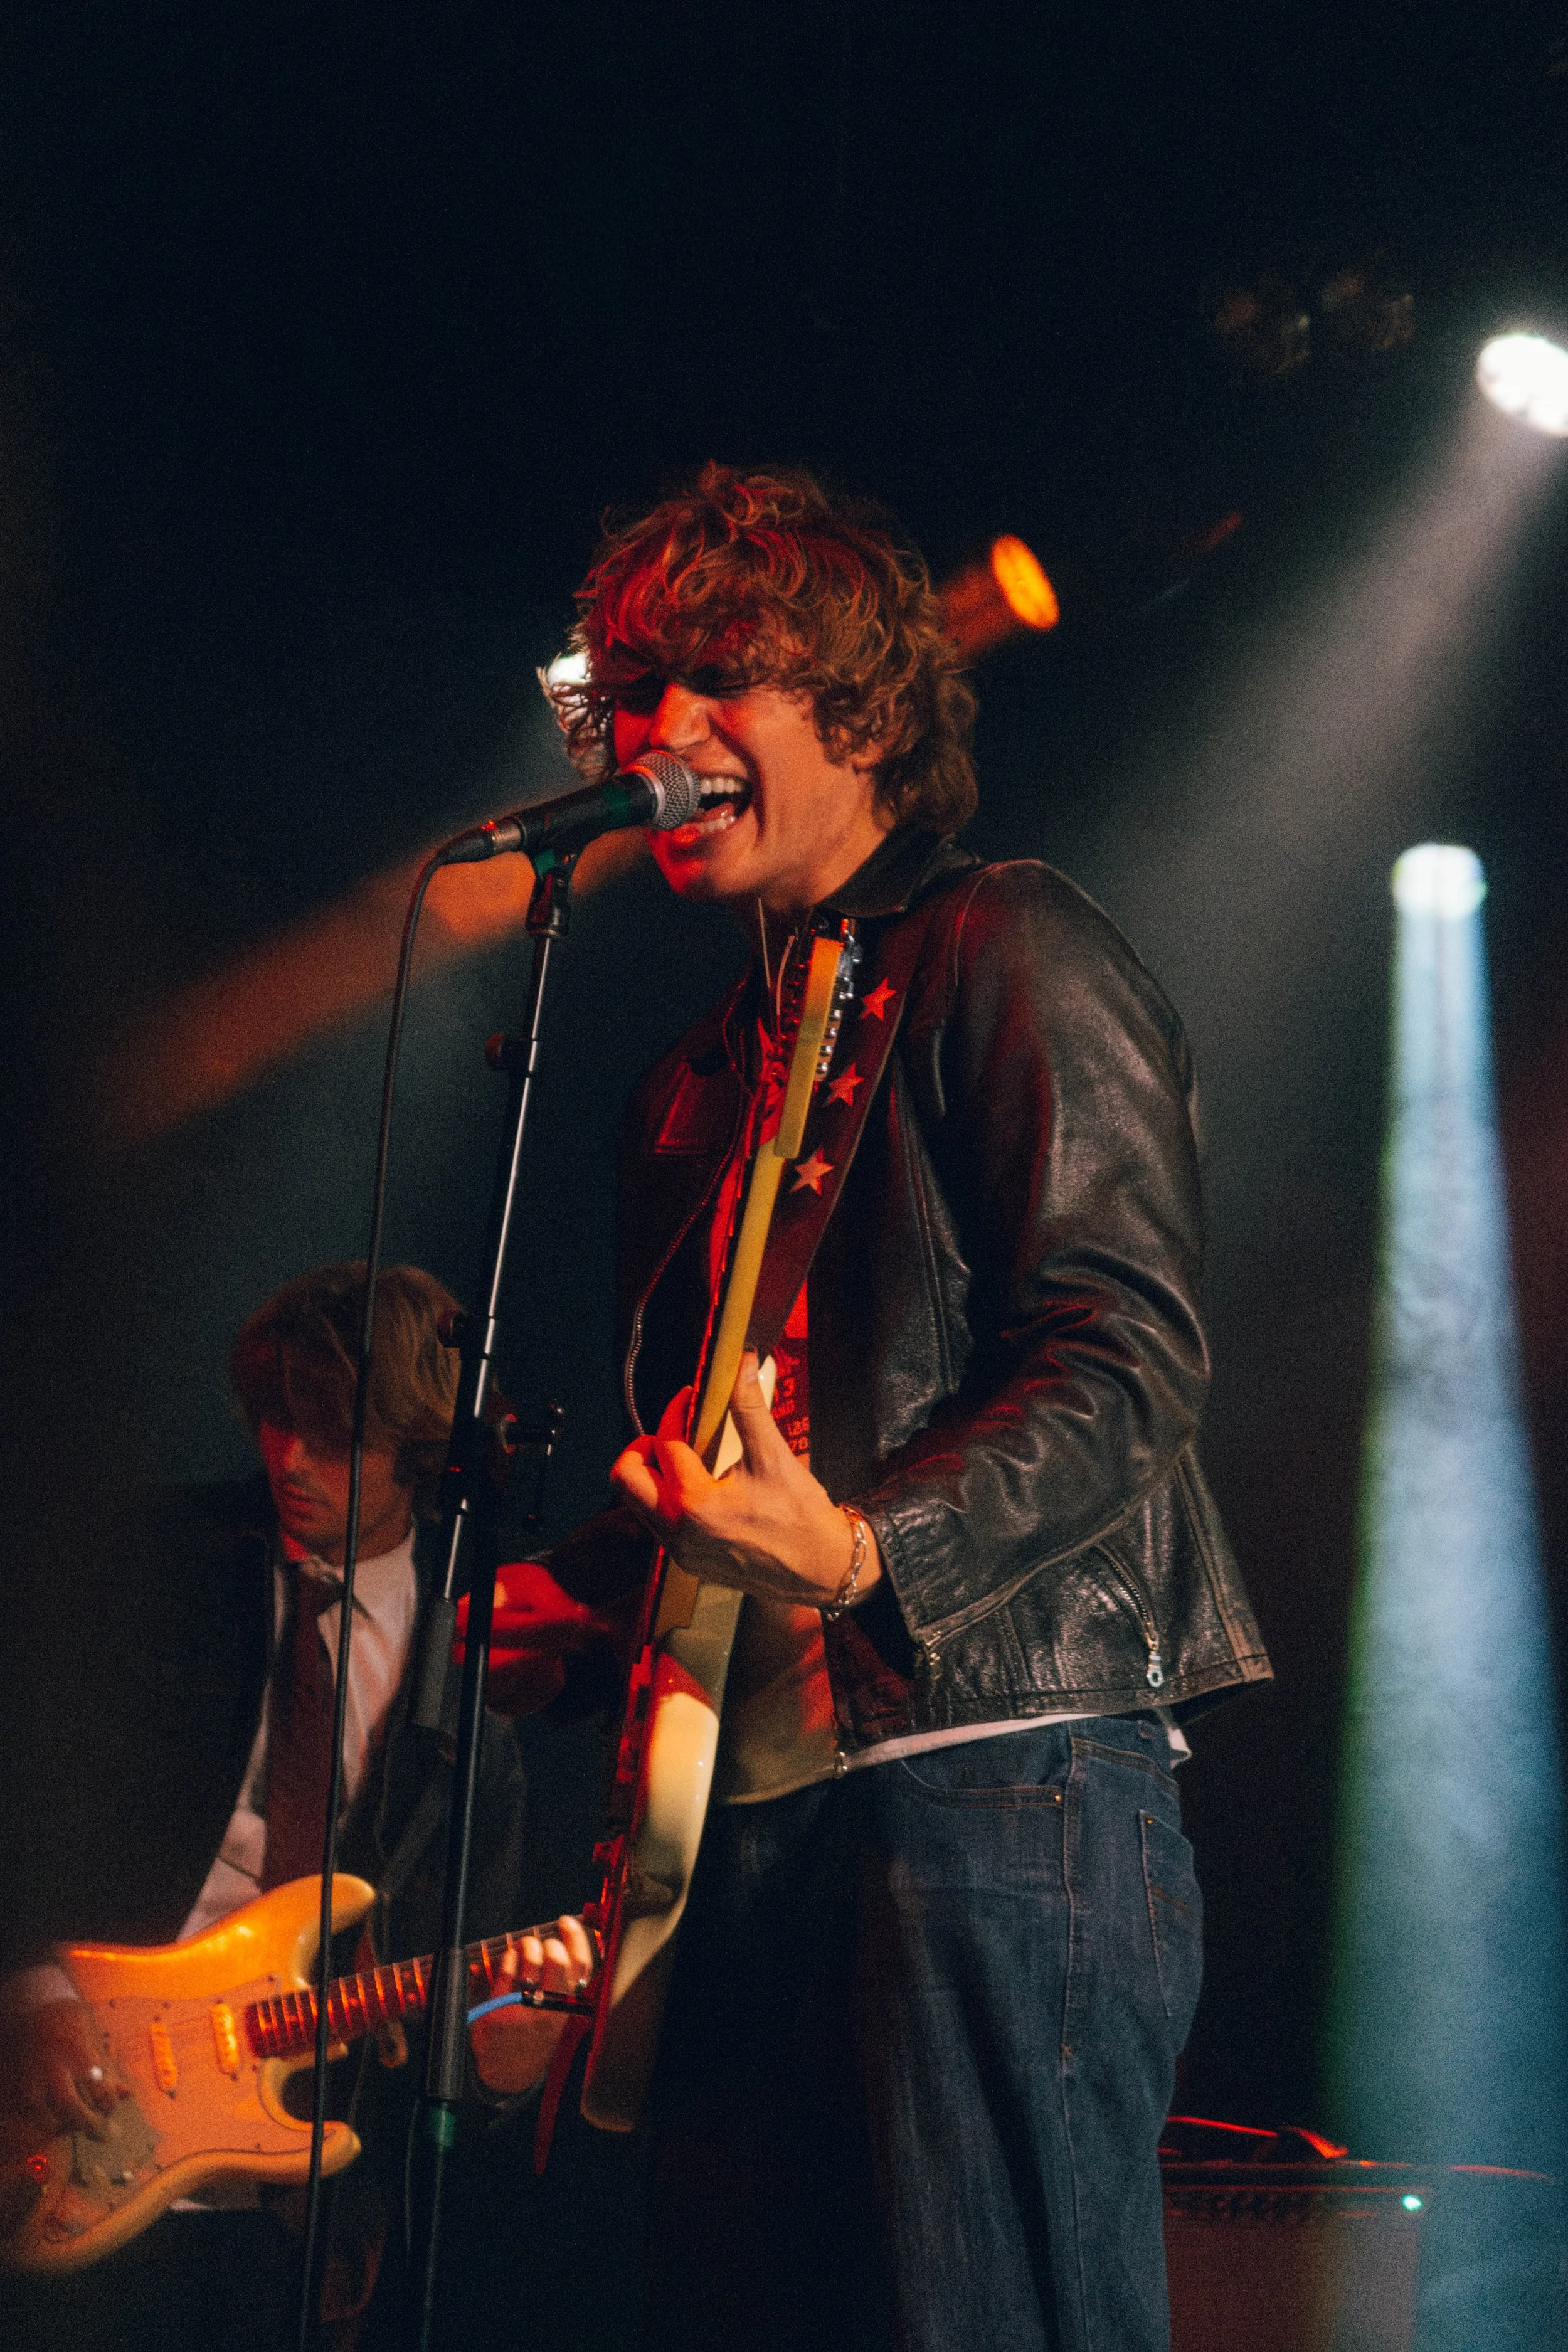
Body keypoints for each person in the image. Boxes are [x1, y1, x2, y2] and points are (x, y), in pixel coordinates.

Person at [480, 465, 1274, 2352]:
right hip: (743, 1831)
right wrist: (566, 1598)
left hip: (994, 1771)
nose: (659, 736)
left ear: (859, 706)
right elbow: (741, 1430)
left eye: (712, 683)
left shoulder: (1009, 939)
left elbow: (1126, 1349)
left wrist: (858, 1549)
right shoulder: (690, 1081)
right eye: (633, 691)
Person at [0, 1261, 579, 2351]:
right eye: (274, 1418)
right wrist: (29, 1987)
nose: (289, 1457)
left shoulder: (469, 1706)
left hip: (289, 2209)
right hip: (69, 2112)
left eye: (330, 1432)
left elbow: (455, 2001)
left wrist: (505, 2052)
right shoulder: (148, 1565)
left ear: (419, 1447)